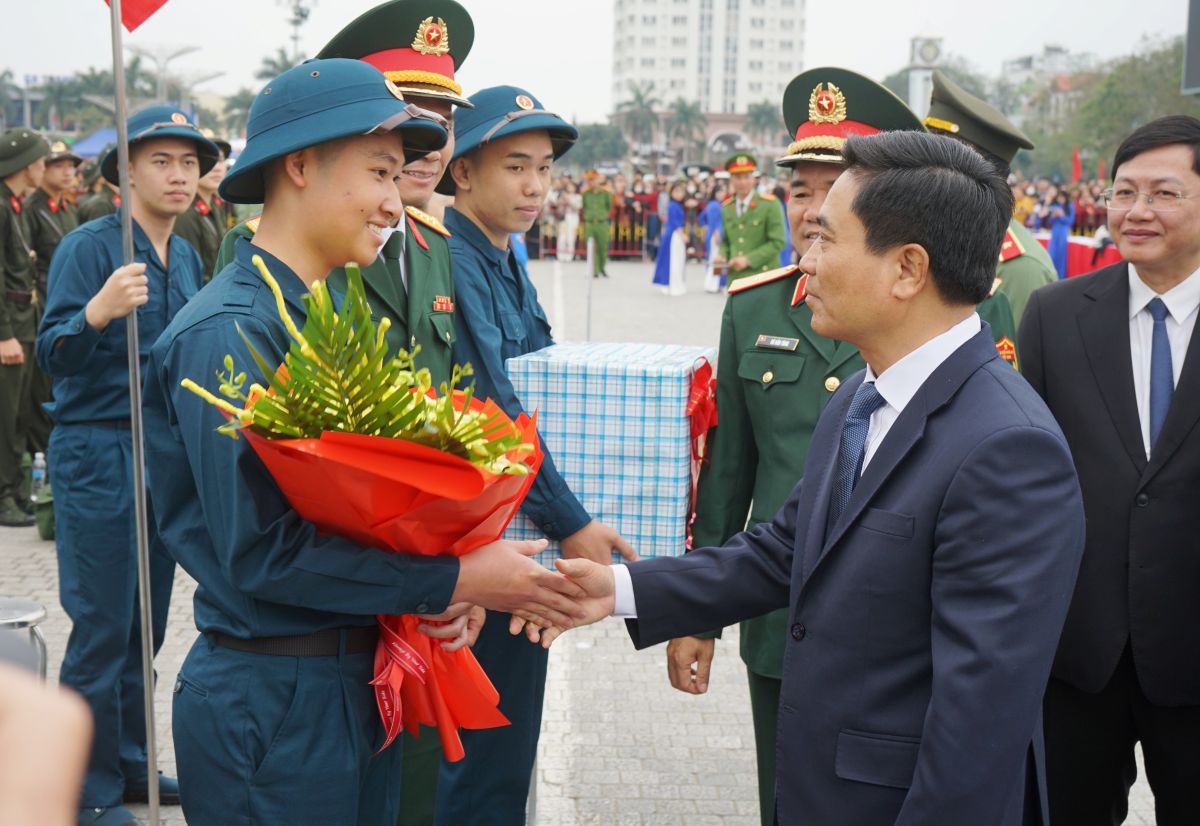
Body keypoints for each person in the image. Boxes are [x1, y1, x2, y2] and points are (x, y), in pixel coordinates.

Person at [538, 131, 1086, 825]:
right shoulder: (861, 395)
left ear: (908, 269)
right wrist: (617, 590)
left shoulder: (1008, 450)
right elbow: (786, 550)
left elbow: (977, 730)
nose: (806, 262)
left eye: (827, 241)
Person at [141, 59, 584, 826]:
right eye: (379, 172)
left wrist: (433, 590)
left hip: (354, 679)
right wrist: (451, 580)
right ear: (300, 165)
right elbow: (263, 555)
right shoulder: (232, 331)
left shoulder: (319, 316)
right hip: (276, 703)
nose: (394, 198)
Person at [666, 68, 926, 826]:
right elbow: (727, 477)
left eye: (836, 188)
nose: (815, 211)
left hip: (904, 620)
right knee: (786, 802)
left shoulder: (940, 299)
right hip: (784, 615)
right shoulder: (753, 311)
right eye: (801, 191)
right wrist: (696, 614)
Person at [432, 84, 636, 826]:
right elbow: (499, 410)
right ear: (463, 173)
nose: (535, 186)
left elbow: (545, 381)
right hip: (487, 539)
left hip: (520, 531)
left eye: (545, 169)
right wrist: (574, 522)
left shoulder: (501, 254)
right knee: (482, 756)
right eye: (516, 166)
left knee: (506, 745)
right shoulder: (454, 259)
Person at [36, 105, 220, 826]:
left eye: (188, 163)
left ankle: (132, 761)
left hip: (160, 451)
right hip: (99, 449)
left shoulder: (190, 251)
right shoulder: (91, 248)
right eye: (161, 162)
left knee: (145, 624)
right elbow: (53, 354)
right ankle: (83, 784)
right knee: (102, 627)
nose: (178, 175)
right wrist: (98, 313)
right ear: (127, 173)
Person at [1019, 116, 1200, 826]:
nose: (1137, 211)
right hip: (1078, 655)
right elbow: (1025, 479)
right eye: (1124, 191)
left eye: (1164, 192)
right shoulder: (1055, 315)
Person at [923, 70, 1057, 324]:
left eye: (933, 162)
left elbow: (1014, 363)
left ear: (973, 173)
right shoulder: (929, 235)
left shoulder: (1020, 268)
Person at [0, 128, 49, 528]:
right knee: (6, 416)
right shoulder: (1, 207)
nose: (44, 167)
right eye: (40, 160)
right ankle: (4, 498)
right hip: (9, 329)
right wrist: (4, 335)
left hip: (25, 322)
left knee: (21, 416)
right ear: (24, 165)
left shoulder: (16, 206)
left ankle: (16, 491)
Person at [25, 140, 82, 462]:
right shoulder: (34, 209)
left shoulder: (67, 207)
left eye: (71, 165)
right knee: (41, 385)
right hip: (44, 301)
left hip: (70, 299)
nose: (67, 172)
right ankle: (39, 452)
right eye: (58, 165)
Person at [712, 154, 786, 282]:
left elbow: (778, 242)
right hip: (736, 278)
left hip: (764, 277)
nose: (742, 182)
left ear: (754, 179)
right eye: (737, 177)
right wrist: (722, 255)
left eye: (746, 177)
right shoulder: (727, 208)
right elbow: (726, 241)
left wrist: (748, 260)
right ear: (731, 180)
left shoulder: (770, 204)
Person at [171, 132, 231, 279]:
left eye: (221, 160)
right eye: (211, 161)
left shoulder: (216, 206)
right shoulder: (185, 213)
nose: (217, 168)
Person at [651, 179, 688, 296]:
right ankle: (667, 283)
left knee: (677, 260)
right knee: (671, 260)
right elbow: (676, 223)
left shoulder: (678, 205)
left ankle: (674, 282)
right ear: (671, 193)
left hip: (675, 235)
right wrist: (683, 235)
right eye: (676, 191)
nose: (679, 194)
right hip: (673, 236)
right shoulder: (672, 206)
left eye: (681, 191)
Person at [580, 171, 611, 277]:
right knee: (591, 247)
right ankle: (595, 270)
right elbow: (584, 206)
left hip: (602, 223)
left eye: (593, 180)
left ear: (598, 180)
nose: (591, 182)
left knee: (603, 246)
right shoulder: (585, 193)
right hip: (589, 223)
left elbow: (609, 206)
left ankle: (602, 267)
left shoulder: (606, 193)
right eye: (589, 180)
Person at [700, 180, 726, 293]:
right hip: (716, 235)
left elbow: (701, 218)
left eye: (723, 192)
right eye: (719, 192)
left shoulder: (711, 205)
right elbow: (715, 222)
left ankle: (712, 284)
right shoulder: (715, 205)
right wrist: (717, 235)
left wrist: (706, 226)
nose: (722, 194)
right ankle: (713, 284)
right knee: (716, 260)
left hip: (711, 234)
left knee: (713, 259)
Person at [556, 176, 581, 262]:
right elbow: (558, 205)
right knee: (562, 237)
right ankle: (560, 254)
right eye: (569, 187)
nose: (570, 188)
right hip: (564, 217)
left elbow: (578, 206)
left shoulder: (578, 196)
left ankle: (570, 255)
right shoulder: (563, 194)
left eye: (572, 187)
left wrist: (569, 200)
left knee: (571, 237)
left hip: (573, 217)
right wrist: (562, 201)